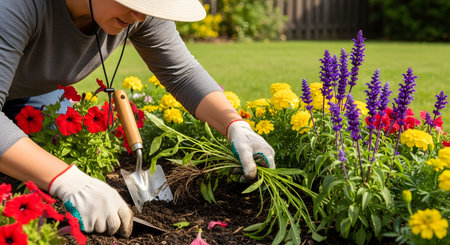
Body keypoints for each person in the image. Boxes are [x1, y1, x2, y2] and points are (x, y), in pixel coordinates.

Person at [0, 0, 276, 237]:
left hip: (30, 94)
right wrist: (69, 181)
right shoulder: (15, 8)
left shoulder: (135, 12)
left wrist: (235, 125)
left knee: (37, 158)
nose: (141, 15)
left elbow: (182, 73)